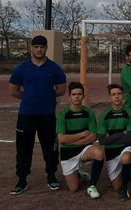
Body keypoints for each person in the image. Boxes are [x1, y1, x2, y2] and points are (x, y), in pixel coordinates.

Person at [9, 35, 66, 195]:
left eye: (42, 47)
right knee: (23, 148)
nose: (39, 49)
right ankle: (21, 180)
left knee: (50, 148)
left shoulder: (54, 68)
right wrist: (28, 97)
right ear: (31, 48)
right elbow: (13, 90)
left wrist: (46, 95)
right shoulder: (22, 68)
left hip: (47, 115)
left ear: (46, 48)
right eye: (36, 46)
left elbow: (61, 89)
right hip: (26, 115)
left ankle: (51, 176)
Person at [56, 82, 105, 198]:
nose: (77, 97)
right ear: (69, 97)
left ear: (83, 96)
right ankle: (78, 173)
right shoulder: (63, 114)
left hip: (84, 150)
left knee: (99, 152)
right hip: (67, 153)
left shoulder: (89, 113)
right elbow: (61, 138)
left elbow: (93, 136)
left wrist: (72, 142)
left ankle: (92, 186)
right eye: (74, 94)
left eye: (79, 94)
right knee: (74, 189)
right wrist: (82, 134)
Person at [97, 83, 131, 202]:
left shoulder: (130, 113)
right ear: (110, 97)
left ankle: (125, 188)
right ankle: (125, 174)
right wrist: (122, 133)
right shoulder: (104, 115)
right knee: (116, 187)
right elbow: (102, 140)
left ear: (123, 95)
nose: (117, 97)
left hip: (126, 147)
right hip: (111, 152)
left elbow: (130, 138)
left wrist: (113, 138)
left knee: (126, 158)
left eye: (119, 94)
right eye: (113, 94)